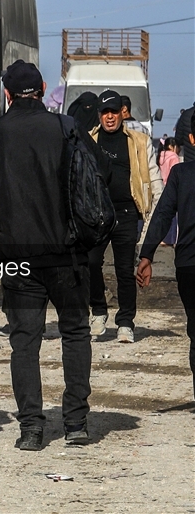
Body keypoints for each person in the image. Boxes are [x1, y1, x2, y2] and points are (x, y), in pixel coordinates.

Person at [0, 60, 103, 451]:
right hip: (68, 251)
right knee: (75, 333)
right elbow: (100, 174)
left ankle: (31, 429)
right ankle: (76, 423)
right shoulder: (66, 128)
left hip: (17, 254)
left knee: (24, 341)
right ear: (43, 88)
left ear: (7, 93)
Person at [87, 90, 163, 343]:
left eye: (114, 112)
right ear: (99, 115)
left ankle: (125, 322)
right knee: (90, 262)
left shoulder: (139, 141)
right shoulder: (88, 141)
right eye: (104, 112)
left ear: (122, 113)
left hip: (127, 212)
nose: (109, 117)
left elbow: (152, 177)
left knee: (124, 269)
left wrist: (157, 208)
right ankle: (98, 311)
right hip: (97, 214)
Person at [137, 111, 195, 400]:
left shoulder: (182, 175)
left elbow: (162, 216)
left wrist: (146, 255)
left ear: (192, 139)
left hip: (188, 265)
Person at [158, 138, 181, 245]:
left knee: (163, 214)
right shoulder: (174, 156)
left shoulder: (160, 155)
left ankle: (161, 238)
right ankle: (170, 239)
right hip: (172, 187)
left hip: (161, 186)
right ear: (172, 146)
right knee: (173, 216)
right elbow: (176, 173)